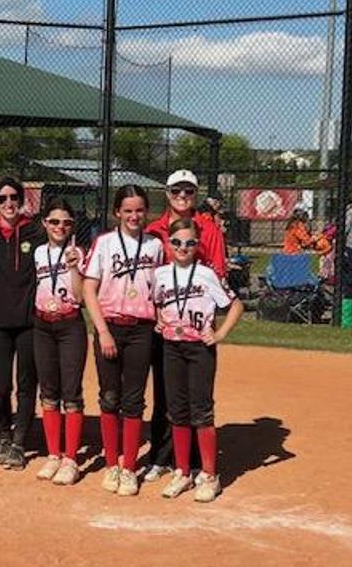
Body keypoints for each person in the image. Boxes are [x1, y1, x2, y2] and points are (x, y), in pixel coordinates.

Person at [144, 169, 227, 481]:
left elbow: (218, 274)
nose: (182, 196)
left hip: (194, 324)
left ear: (195, 194)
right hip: (163, 323)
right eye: (176, 191)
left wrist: (212, 326)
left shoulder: (209, 230)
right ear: (167, 194)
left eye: (188, 191)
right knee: (165, 392)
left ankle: (193, 461)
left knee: (195, 396)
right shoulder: (154, 230)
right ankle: (162, 456)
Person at [153, 217, 244, 502]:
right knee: (177, 410)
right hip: (171, 348)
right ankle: (182, 471)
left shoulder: (206, 274)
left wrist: (220, 334)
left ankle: (209, 475)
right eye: (177, 242)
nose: (183, 247)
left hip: (199, 350)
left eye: (189, 243)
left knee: (201, 411)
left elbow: (236, 306)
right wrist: (159, 320)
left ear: (197, 245)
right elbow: (157, 303)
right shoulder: (161, 274)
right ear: (168, 244)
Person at [83, 184, 164, 497]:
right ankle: (111, 465)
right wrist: (102, 330)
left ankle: (129, 467)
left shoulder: (154, 246)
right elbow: (89, 288)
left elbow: (159, 289)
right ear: (117, 212)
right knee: (109, 397)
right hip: (110, 326)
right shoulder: (104, 243)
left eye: (139, 210)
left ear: (146, 212)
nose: (134, 216)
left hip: (141, 329)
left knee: (133, 399)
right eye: (128, 210)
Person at [0, 176, 45, 471]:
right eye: (2, 198)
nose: (8, 203)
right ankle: (4, 434)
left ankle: (19, 442)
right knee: (0, 386)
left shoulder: (36, 233)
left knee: (27, 386)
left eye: (14, 197)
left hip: (29, 323)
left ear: (21, 200)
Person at [31, 198, 87, 486]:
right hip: (42, 325)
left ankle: (71, 459)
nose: (59, 227)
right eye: (54, 221)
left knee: (71, 392)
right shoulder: (38, 252)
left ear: (72, 226)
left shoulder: (78, 253)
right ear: (45, 223)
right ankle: (54, 454)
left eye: (66, 222)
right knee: (49, 390)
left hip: (70, 325)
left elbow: (80, 297)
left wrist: (74, 267)